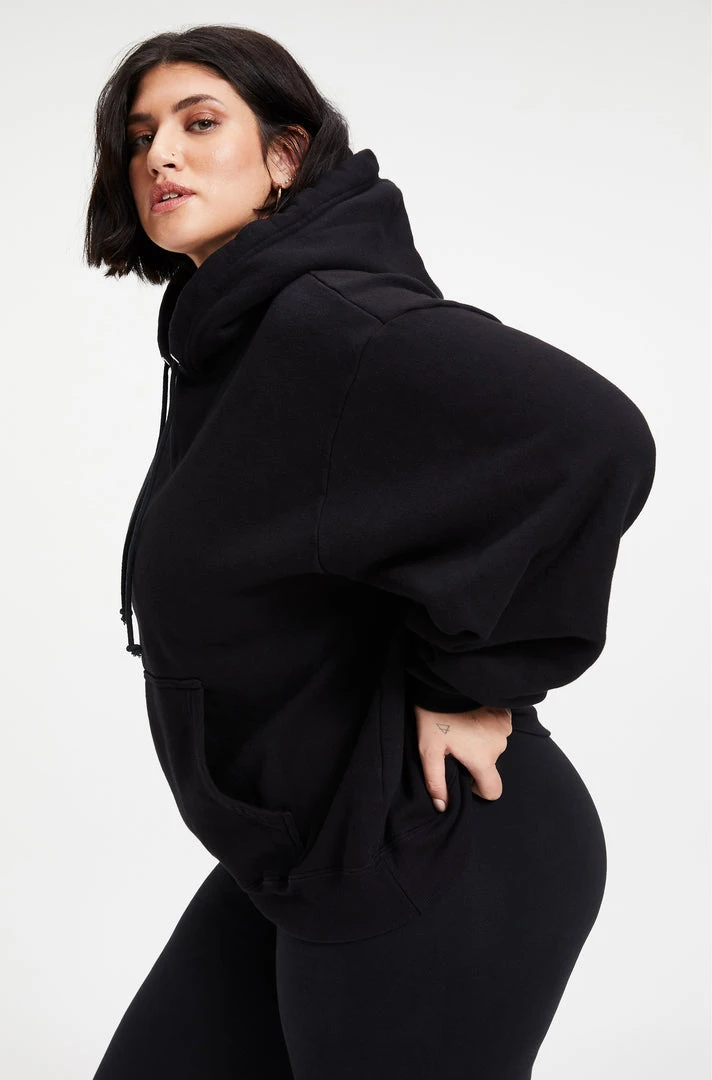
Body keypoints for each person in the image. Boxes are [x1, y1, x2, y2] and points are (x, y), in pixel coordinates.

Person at [84, 23, 656, 1080]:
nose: (159, 154)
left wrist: (472, 683)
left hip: (435, 847)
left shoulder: (329, 323)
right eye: (141, 134)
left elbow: (592, 439)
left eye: (200, 123)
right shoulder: (231, 339)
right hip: (308, 850)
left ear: (286, 155)